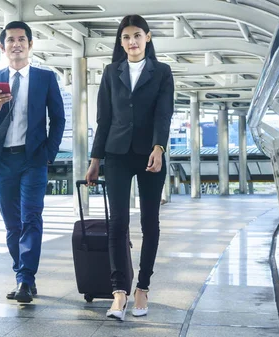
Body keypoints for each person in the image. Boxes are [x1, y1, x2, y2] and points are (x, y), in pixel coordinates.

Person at [85, 14, 174, 321]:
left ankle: (143, 288)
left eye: (137, 35)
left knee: (150, 224)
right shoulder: (112, 72)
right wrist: (95, 160)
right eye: (126, 37)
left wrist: (159, 147)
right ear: (120, 42)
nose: (132, 41)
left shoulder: (162, 71)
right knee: (118, 224)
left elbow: (164, 114)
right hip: (117, 153)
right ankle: (119, 292)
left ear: (147, 38)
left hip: (151, 154)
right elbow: (104, 119)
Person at [0, 21, 66, 303]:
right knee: (12, 223)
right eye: (11, 40)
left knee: (31, 218)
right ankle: (22, 274)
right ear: (2, 47)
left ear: (30, 45)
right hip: (3, 160)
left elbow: (59, 119)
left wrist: (48, 153)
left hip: (33, 160)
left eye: (22, 39)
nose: (16, 44)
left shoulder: (45, 78)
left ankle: (25, 279)